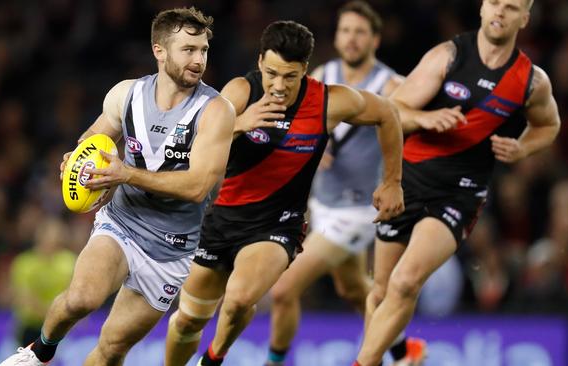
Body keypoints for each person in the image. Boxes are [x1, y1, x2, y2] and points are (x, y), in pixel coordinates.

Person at [0, 7, 235, 366]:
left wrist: (126, 174)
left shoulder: (216, 111)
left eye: (203, 50)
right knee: (82, 298)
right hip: (122, 224)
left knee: (111, 349)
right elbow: (95, 135)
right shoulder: (126, 94)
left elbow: (198, 187)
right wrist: (81, 159)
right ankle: (37, 353)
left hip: (171, 251)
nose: (199, 59)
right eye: (188, 50)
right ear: (160, 50)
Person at [164, 20, 404, 366]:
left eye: (290, 77)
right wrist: (239, 124)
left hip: (277, 225)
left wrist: (392, 181)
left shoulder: (328, 101)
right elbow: (190, 147)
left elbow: (387, 113)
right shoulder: (239, 93)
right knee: (187, 320)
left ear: (304, 70)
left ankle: (212, 359)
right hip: (221, 221)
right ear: (260, 61)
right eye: (272, 73)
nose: (278, 86)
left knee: (239, 298)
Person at [353, 0, 561, 365]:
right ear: (482, 8)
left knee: (405, 282)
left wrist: (523, 148)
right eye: (494, 3)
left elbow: (549, 125)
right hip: (407, 182)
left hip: (459, 194)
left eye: (511, 7)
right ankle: (404, 356)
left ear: (524, 19)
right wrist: (426, 118)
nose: (500, 12)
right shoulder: (446, 57)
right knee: (381, 292)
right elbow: (390, 114)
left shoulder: (531, 81)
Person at [266, 2, 425, 366]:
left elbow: (407, 119)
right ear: (336, 37)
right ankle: (404, 352)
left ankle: (273, 362)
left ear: (375, 39)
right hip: (323, 202)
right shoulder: (326, 73)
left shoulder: (390, 83)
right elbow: (301, 119)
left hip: (357, 210)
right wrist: (314, 145)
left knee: (283, 289)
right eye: (345, 31)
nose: (351, 39)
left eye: (359, 32)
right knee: (353, 289)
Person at [9, 218, 76, 347]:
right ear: (40, 238)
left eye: (58, 241)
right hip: (30, 326)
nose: (54, 244)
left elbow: (72, 294)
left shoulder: (69, 261)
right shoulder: (24, 263)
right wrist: (53, 313)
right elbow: (24, 299)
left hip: (59, 327)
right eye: (51, 239)